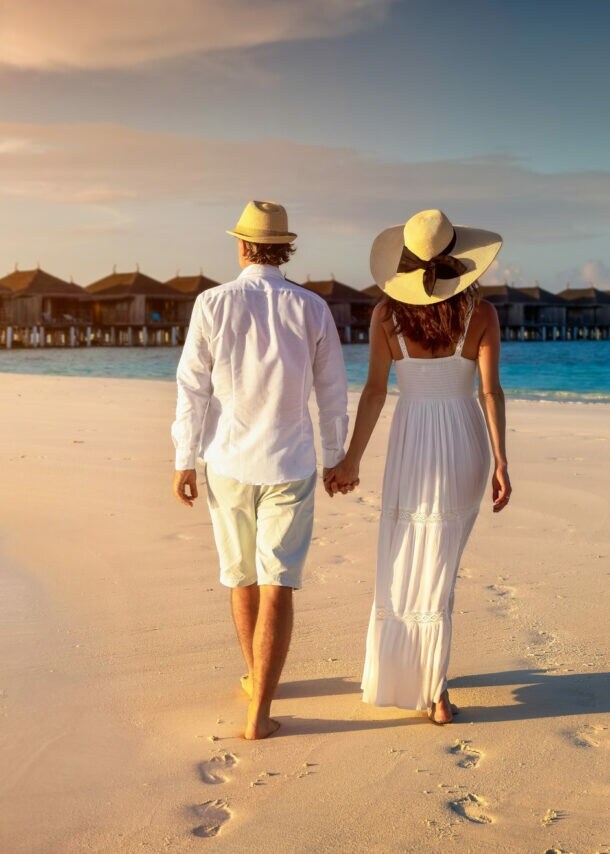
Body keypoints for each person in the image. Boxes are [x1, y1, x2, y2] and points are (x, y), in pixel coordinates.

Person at [324, 209, 511, 725]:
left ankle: (423, 679)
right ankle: (436, 688)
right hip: (463, 441)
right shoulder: (484, 315)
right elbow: (489, 392)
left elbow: (376, 392)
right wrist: (500, 460)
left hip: (412, 444)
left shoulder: (386, 315)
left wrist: (350, 460)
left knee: (410, 554)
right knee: (442, 563)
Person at [171, 200, 348, 739]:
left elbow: (192, 388)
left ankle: (255, 677)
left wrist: (183, 458)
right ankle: (261, 711)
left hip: (226, 461)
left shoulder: (211, 303)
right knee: (279, 585)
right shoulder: (312, 307)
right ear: (284, 249)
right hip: (289, 461)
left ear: (244, 246)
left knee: (241, 578)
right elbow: (332, 393)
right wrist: (336, 457)